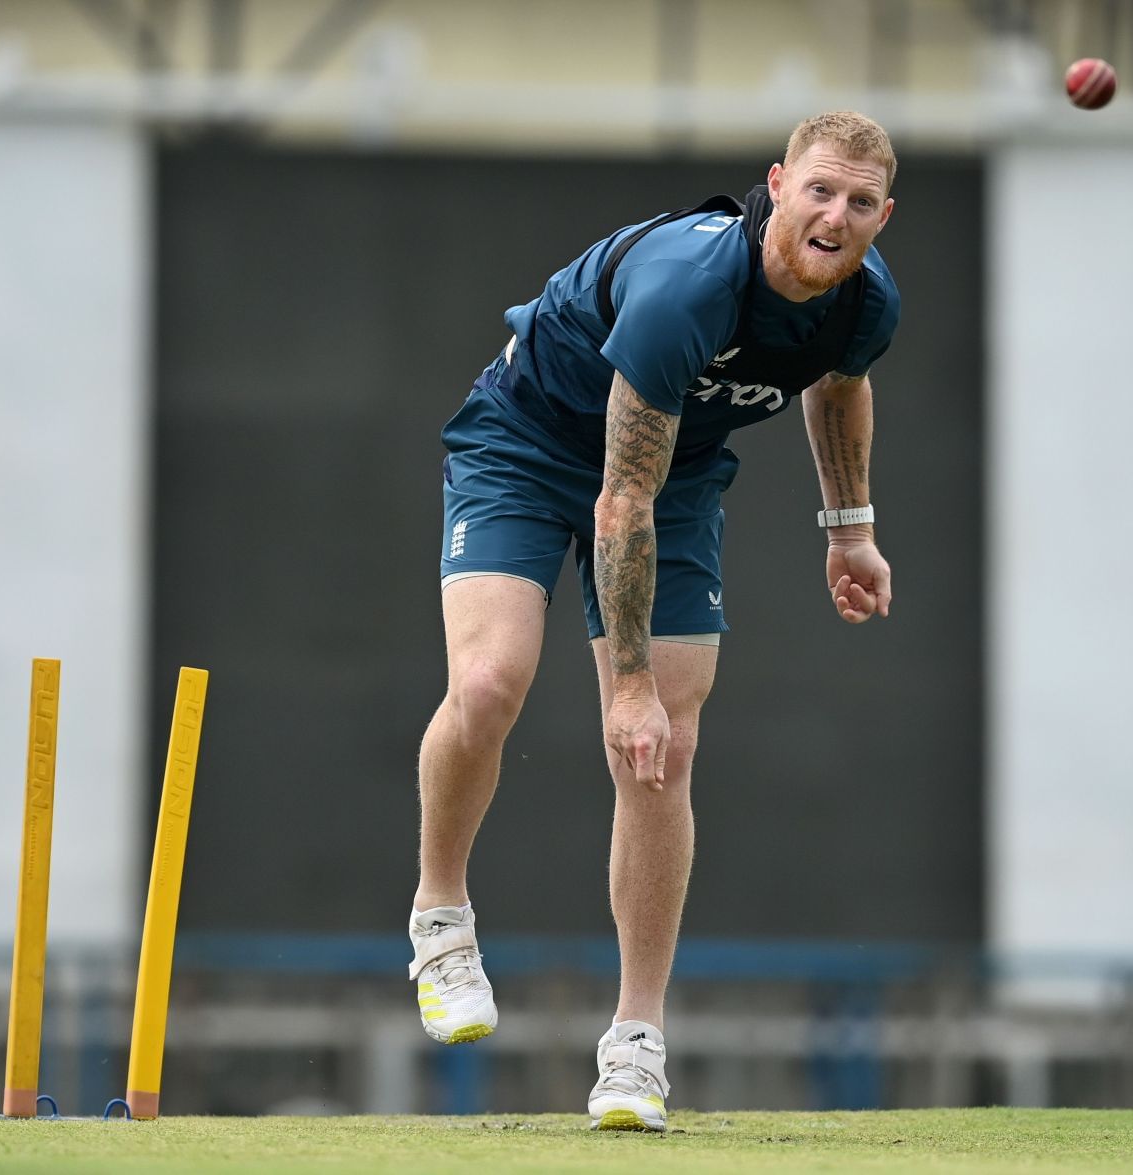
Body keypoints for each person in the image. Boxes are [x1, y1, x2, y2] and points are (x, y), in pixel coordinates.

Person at [407, 110, 900, 1132]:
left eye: (859, 201)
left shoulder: (865, 301)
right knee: (493, 680)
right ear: (778, 185)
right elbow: (615, 499)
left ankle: (635, 1042)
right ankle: (440, 913)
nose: (836, 214)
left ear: (881, 215)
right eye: (819, 190)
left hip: (671, 479)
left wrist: (849, 526)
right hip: (530, 444)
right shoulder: (688, 289)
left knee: (662, 751)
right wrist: (624, 679)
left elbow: (840, 385)